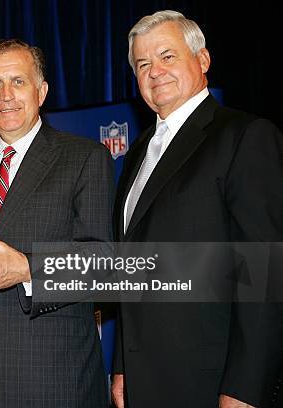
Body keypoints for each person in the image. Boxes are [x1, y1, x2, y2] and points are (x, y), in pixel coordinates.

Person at [111, 10, 283, 408]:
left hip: (212, 383)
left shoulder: (245, 137)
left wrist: (244, 389)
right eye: (142, 63)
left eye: (167, 56)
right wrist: (122, 367)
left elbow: (266, 273)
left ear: (202, 61)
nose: (155, 71)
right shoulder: (138, 152)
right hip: (145, 381)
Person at [0, 39, 113, 407]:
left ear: (42, 90)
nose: (6, 95)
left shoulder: (84, 158)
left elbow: (102, 262)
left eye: (18, 81)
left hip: (52, 378)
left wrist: (26, 268)